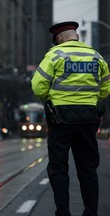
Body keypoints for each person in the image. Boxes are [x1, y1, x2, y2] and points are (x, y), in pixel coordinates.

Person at [31, 21, 110, 216]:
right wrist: (90, 101)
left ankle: (63, 212)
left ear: (58, 39)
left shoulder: (55, 55)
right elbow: (106, 89)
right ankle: (91, 212)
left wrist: (52, 98)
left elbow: (37, 86)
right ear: (75, 36)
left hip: (61, 120)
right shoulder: (96, 57)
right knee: (88, 169)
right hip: (88, 121)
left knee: (58, 168)